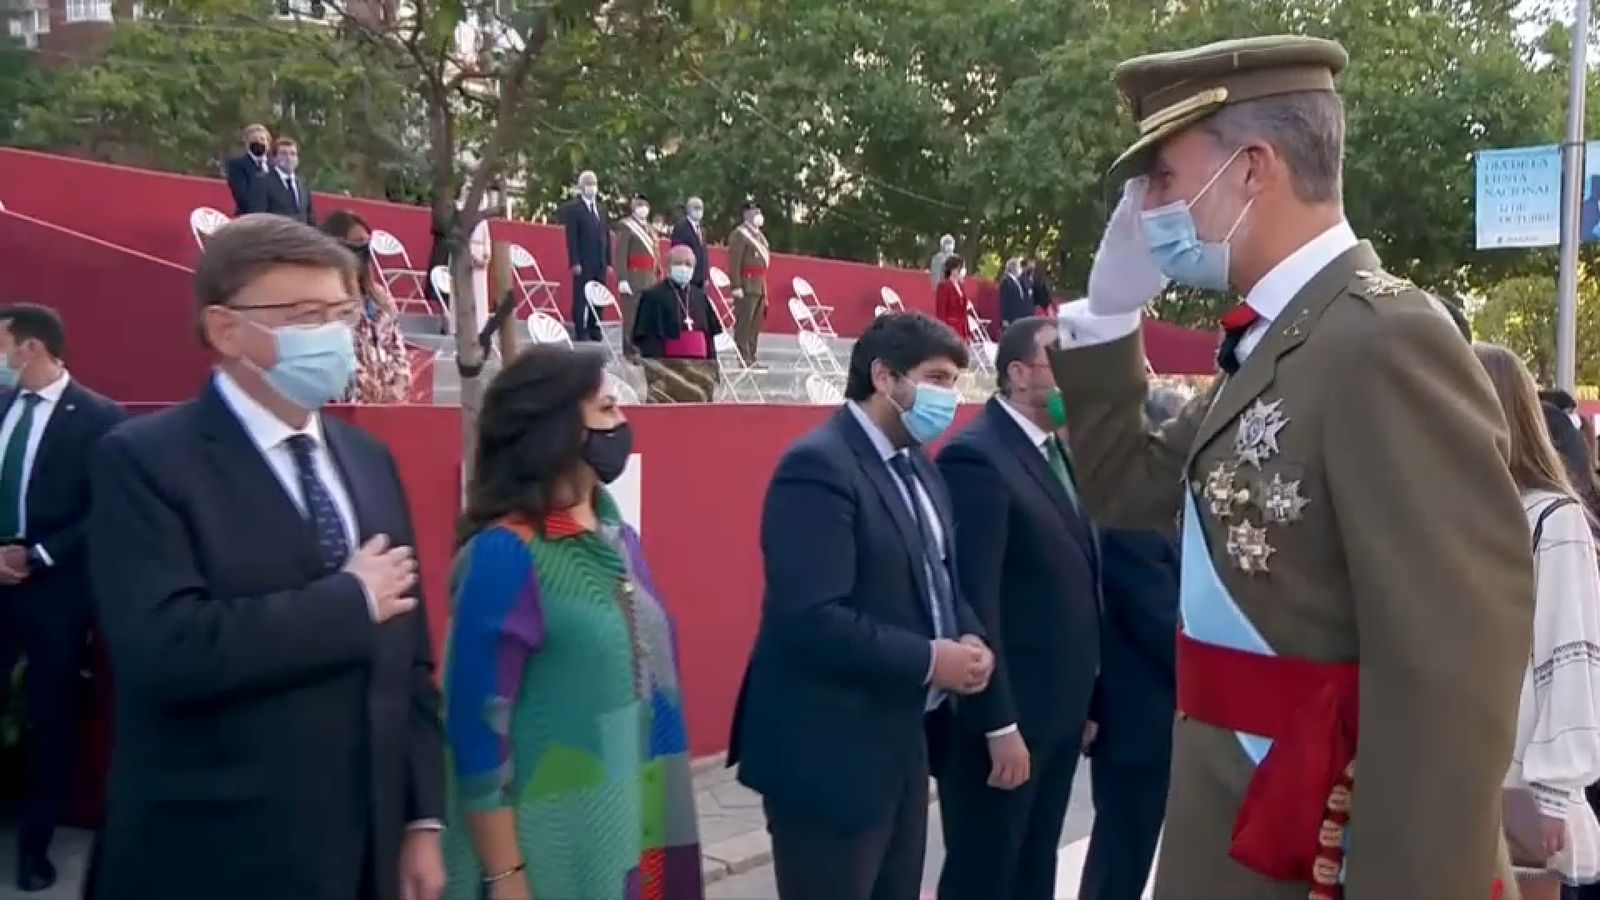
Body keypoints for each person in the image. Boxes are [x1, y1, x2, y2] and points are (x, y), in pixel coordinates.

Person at [1047, 35, 1532, 897]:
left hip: (1320, 849)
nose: (1145, 208)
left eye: (1161, 177)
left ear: (1252, 169)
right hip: (1238, 829)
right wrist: (1112, 314)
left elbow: (1448, 682)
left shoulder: (1385, 339)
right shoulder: (1273, 340)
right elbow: (1124, 488)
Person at [88, 214, 445, 900]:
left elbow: (411, 658)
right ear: (227, 331)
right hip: (215, 856)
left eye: (343, 311)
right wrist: (346, 602)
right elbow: (166, 649)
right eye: (307, 314)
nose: (335, 333)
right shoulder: (145, 463)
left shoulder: (369, 461)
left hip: (365, 853)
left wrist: (421, 819)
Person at [728, 311, 994, 900]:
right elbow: (811, 617)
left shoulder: (919, 467)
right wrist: (931, 660)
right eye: (937, 377)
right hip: (828, 756)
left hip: (901, 747)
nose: (949, 396)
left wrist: (968, 638)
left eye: (954, 381)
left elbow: (938, 579)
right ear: (883, 375)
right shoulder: (818, 467)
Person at [441, 345, 702, 900]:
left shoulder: (618, 538)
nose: (623, 424)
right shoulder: (506, 556)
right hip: (553, 856)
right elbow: (474, 732)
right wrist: (507, 877)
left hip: (639, 831)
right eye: (607, 410)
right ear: (555, 430)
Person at [933, 317, 1100, 900]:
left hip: (1058, 717)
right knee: (987, 874)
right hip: (1007, 725)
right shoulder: (977, 460)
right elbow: (974, 604)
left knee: (1034, 871)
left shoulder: (1059, 453)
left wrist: (1089, 698)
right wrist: (997, 723)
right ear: (1018, 373)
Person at [0, 305, 123, 892]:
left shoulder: (99, 418)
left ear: (31, 349)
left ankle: (34, 849)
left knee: (51, 721)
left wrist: (38, 556)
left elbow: (105, 510)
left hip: (55, 593)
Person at [1475, 344, 1600, 896]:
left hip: (1526, 789)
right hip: (1464, 781)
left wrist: (1552, 793)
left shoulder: (1554, 516)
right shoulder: (1460, 511)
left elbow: (1569, 653)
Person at [1079, 393, 1182, 900]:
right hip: (1138, 721)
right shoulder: (1128, 521)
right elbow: (1161, 621)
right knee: (1121, 856)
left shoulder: (1173, 512)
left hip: (1169, 718)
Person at [321, 210, 413, 404]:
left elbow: (398, 349)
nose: (362, 249)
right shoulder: (325, 299)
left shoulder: (381, 298)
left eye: (366, 242)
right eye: (355, 242)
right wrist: (368, 387)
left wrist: (399, 383)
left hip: (389, 406)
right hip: (348, 405)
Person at [633, 244, 722, 403]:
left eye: (689, 264)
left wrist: (713, 367)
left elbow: (709, 336)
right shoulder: (653, 296)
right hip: (669, 366)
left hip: (699, 366)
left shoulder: (700, 296)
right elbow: (648, 339)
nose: (684, 268)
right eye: (679, 263)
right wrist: (658, 370)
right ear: (668, 267)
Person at [562, 170, 612, 343]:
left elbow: (606, 235)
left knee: (598, 296)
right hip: (583, 261)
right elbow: (572, 238)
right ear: (581, 187)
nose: (592, 187)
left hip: (600, 261)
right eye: (588, 184)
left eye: (594, 183)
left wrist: (609, 261)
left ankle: (594, 327)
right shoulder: (574, 209)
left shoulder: (601, 209)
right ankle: (580, 329)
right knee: (581, 296)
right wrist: (575, 261)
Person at [614, 192, 660, 359]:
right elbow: (621, 254)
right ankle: (629, 349)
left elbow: (656, 255)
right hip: (633, 277)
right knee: (631, 316)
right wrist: (622, 278)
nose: (643, 209)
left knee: (645, 317)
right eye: (639, 205)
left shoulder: (651, 229)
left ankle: (642, 348)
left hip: (650, 278)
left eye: (645, 206)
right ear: (633, 207)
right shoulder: (626, 226)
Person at [726, 200, 771, 363]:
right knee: (744, 323)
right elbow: (734, 262)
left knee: (755, 324)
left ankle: (751, 355)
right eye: (754, 213)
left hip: (759, 285)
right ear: (746, 215)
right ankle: (742, 356)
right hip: (746, 285)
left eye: (759, 212)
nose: (758, 216)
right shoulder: (740, 234)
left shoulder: (760, 237)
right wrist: (736, 285)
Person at [244, 137, 316, 225]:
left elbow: (310, 217)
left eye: (293, 154)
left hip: (301, 237)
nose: (289, 158)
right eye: (283, 154)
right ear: (274, 158)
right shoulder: (261, 182)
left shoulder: (303, 184)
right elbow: (258, 217)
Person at [224, 123, 273, 216]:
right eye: (254, 140)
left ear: (268, 144)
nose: (259, 143)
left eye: (262, 139)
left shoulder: (274, 167)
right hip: (249, 218)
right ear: (247, 144)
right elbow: (242, 196)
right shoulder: (237, 165)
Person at [670, 196, 711, 290]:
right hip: (686, 274)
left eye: (701, 208)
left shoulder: (701, 229)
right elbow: (677, 252)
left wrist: (705, 276)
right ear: (688, 209)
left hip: (700, 277)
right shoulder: (681, 227)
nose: (699, 211)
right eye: (696, 208)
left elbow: (703, 253)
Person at [933, 255, 971, 343]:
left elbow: (964, 312)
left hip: (962, 329)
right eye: (961, 268)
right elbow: (941, 311)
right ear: (954, 269)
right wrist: (942, 332)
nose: (963, 271)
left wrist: (967, 332)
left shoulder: (961, 286)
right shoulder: (944, 286)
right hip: (950, 328)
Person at [998, 257, 1031, 329]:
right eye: (1019, 267)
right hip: (1011, 317)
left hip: (1018, 316)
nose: (1020, 269)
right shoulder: (1006, 281)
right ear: (1013, 268)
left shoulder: (1016, 281)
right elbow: (1004, 301)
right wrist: (1004, 319)